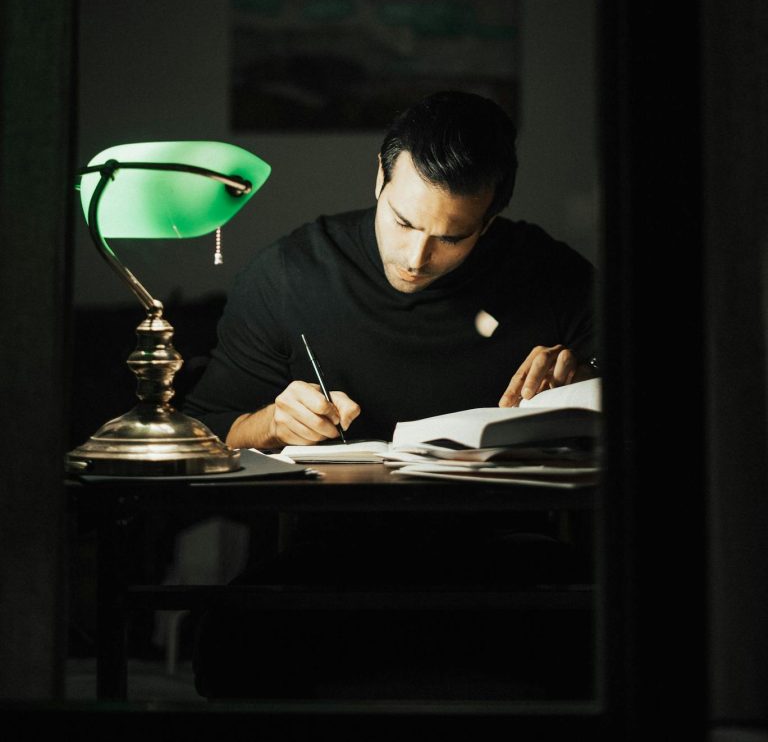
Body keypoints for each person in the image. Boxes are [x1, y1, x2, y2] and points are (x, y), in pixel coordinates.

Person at [183, 90, 597, 699]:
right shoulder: (292, 274)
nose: (416, 257)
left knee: (604, 636)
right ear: (379, 177)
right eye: (403, 222)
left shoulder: (550, 275)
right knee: (235, 643)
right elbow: (203, 433)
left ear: (491, 218)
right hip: (333, 557)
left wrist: (583, 378)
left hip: (508, 559)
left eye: (453, 238)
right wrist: (270, 421)